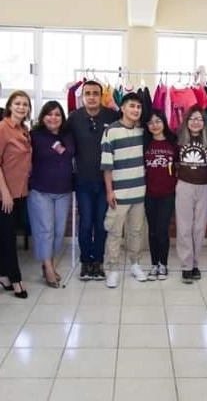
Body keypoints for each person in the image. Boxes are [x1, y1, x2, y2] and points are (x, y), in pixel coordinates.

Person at [68, 80, 118, 281]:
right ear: (82, 96)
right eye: (87, 93)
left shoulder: (112, 116)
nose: (91, 97)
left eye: (95, 93)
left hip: (106, 181)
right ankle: (85, 261)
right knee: (86, 222)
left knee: (101, 223)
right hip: (83, 181)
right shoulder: (74, 118)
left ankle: (98, 261)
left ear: (101, 96)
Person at [101, 92, 147, 288]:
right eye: (132, 106)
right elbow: (107, 165)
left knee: (136, 232)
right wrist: (109, 191)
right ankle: (113, 270)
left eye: (138, 107)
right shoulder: (111, 131)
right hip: (119, 193)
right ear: (122, 108)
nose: (135, 110)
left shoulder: (142, 131)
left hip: (139, 192)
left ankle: (135, 264)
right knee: (114, 232)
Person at [28, 101, 75, 288]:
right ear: (43, 117)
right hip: (40, 191)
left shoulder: (68, 136)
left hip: (64, 191)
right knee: (45, 230)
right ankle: (48, 268)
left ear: (62, 118)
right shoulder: (33, 136)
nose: (53, 118)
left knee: (58, 232)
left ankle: (49, 263)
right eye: (49, 114)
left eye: (57, 114)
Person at [175, 104, 207, 284]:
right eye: (192, 118)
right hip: (184, 185)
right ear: (187, 121)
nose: (196, 122)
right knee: (184, 227)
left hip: (205, 187)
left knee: (199, 228)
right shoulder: (178, 139)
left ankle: (195, 263)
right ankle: (186, 265)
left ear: (204, 122)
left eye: (200, 119)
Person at [0, 90, 32, 298]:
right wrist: (5, 193)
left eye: (25, 104)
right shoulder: (3, 128)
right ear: (10, 106)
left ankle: (3, 276)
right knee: (8, 239)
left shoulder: (24, 130)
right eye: (17, 103)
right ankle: (16, 279)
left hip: (20, 191)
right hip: (5, 194)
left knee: (7, 235)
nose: (21, 107)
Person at [144, 109, 178, 281]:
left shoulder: (173, 143)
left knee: (162, 230)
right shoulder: (145, 144)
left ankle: (163, 264)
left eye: (158, 121)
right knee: (152, 231)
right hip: (149, 194)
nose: (154, 125)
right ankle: (154, 265)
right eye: (151, 122)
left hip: (168, 194)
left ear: (164, 122)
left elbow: (179, 167)